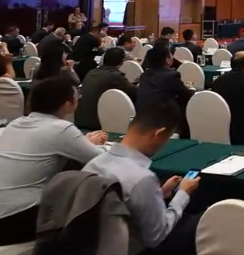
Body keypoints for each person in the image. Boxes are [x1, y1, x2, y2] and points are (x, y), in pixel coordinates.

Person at [0, 76, 106, 248]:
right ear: (67, 104)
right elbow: (102, 158)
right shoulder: (61, 129)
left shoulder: (15, 124)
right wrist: (91, 144)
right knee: (88, 196)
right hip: (13, 220)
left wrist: (82, 143)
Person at [83, 101, 201, 255]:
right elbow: (157, 236)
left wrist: (159, 193)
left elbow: (127, 202)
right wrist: (183, 194)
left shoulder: (93, 164)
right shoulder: (142, 178)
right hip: (133, 249)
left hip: (92, 245)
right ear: (158, 135)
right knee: (202, 220)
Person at [76, 47, 137, 131]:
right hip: (97, 123)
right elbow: (135, 93)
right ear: (122, 61)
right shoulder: (115, 76)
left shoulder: (91, 72)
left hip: (80, 119)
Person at [136, 43, 193, 117]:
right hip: (163, 118)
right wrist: (191, 88)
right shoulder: (172, 76)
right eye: (171, 54)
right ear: (167, 59)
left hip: (142, 117)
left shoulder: (144, 76)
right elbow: (187, 95)